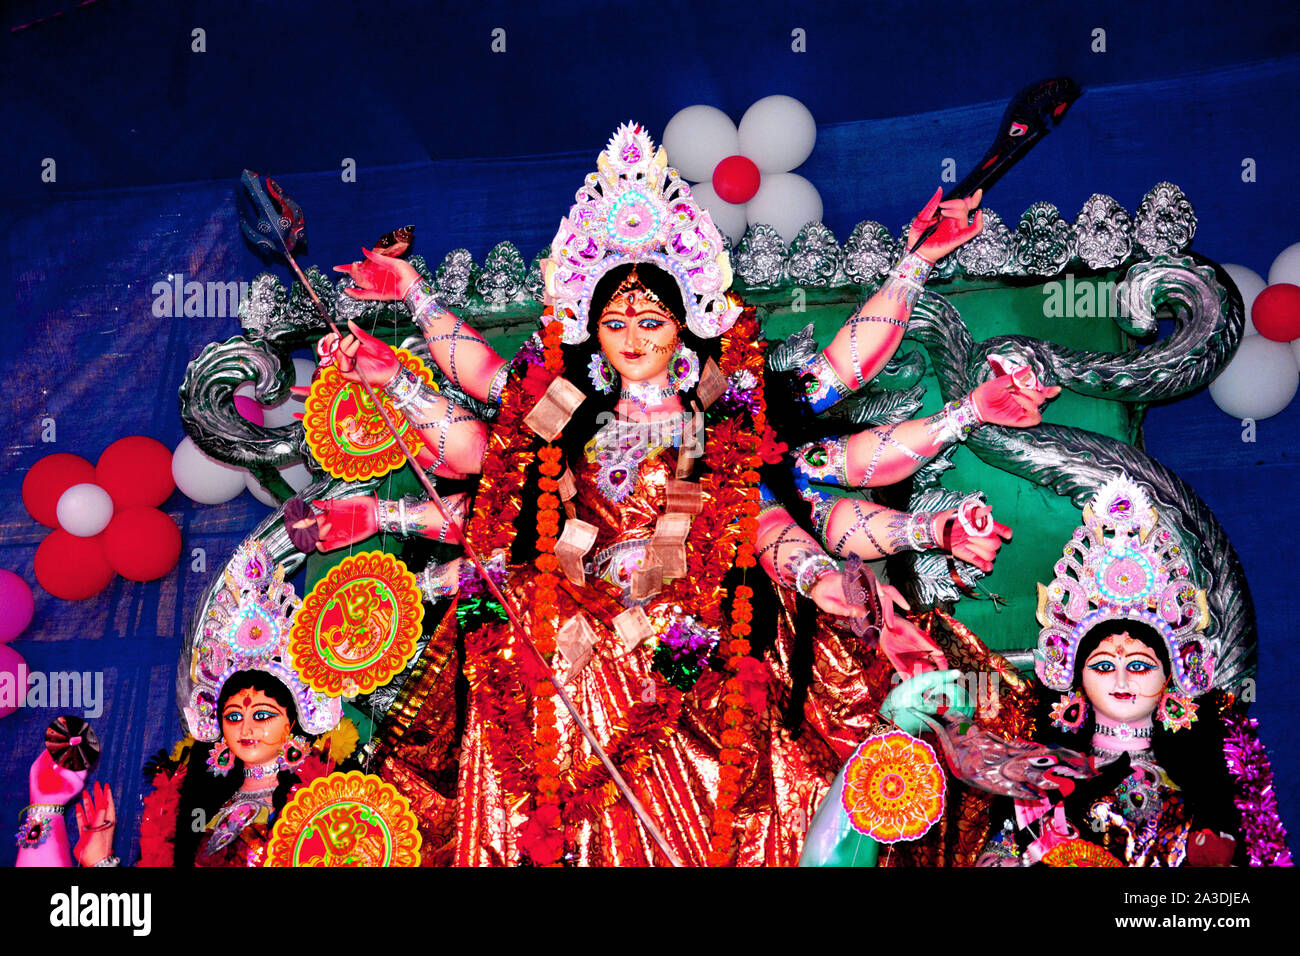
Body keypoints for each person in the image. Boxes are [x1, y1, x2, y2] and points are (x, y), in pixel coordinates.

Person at [290, 123, 1058, 865]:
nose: (632, 335)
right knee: (527, 633)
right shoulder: (564, 405)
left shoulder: (719, 406)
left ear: (686, 322)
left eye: (652, 318)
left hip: (699, 619)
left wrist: (829, 580)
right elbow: (490, 440)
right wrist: (404, 340)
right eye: (614, 318)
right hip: (575, 621)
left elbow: (805, 428)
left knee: (757, 674)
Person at [72, 542, 346, 867]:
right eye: (233, 716)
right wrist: (99, 860)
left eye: (262, 714)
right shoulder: (201, 802)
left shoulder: (326, 800)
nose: (246, 728)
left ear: (295, 721)